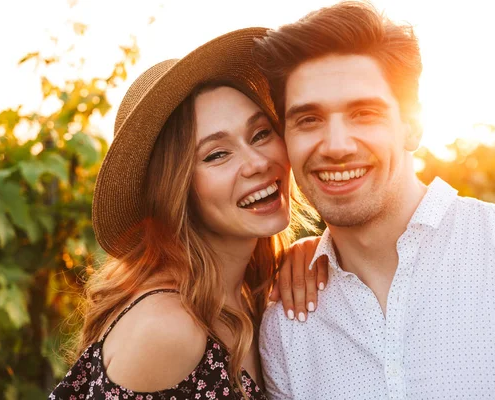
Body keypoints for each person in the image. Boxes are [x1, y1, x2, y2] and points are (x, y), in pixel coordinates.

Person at [253, 2, 495, 399]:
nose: (336, 146)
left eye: (364, 113)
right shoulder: (285, 327)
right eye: (309, 119)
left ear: (414, 126)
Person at [48, 27, 322, 400]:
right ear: (174, 191)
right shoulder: (170, 326)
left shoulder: (243, 297)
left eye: (260, 133)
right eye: (216, 154)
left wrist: (311, 251)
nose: (258, 162)